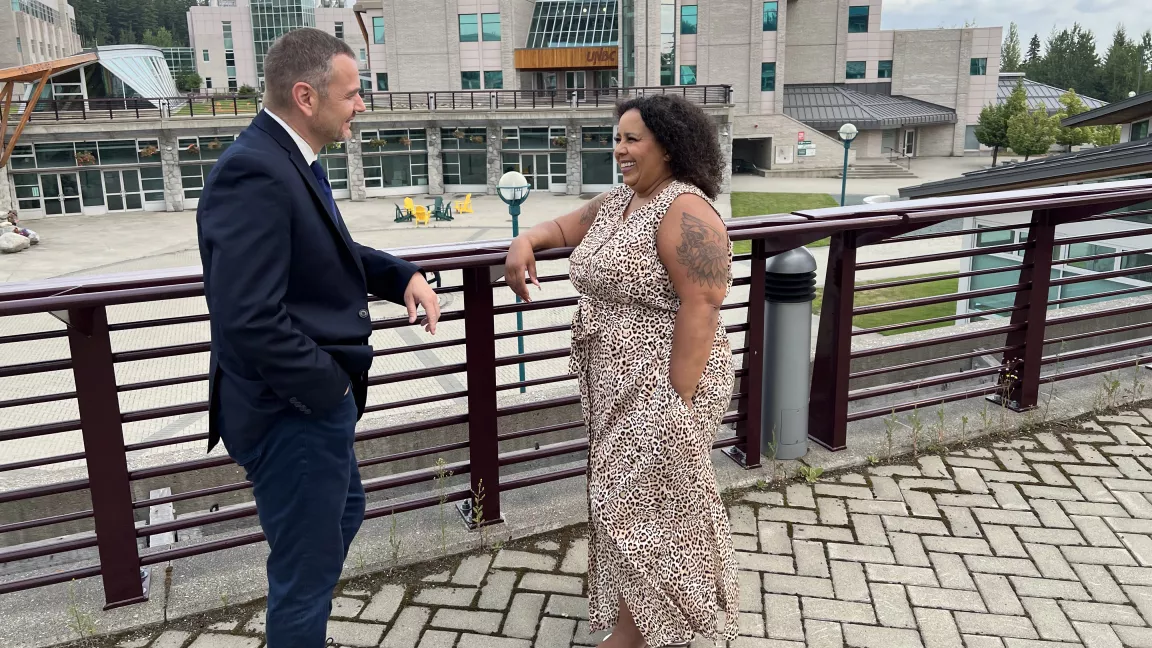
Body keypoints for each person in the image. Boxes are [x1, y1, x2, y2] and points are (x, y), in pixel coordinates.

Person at [196, 28, 440, 648]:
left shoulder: (289, 159)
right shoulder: (254, 172)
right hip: (291, 410)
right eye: (354, 94)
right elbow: (247, 317)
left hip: (307, 409)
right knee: (305, 572)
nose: (361, 105)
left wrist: (400, 274)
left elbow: (328, 250)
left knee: (342, 517)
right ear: (306, 96)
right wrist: (328, 392)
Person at [504, 95, 739, 647]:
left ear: (669, 143)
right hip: (615, 381)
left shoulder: (685, 209)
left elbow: (702, 304)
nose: (620, 149)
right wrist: (524, 240)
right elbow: (564, 228)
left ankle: (636, 636)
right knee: (628, 504)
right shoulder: (621, 202)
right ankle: (653, 622)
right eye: (617, 138)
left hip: (667, 381)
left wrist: (674, 407)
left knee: (639, 508)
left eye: (633, 139)